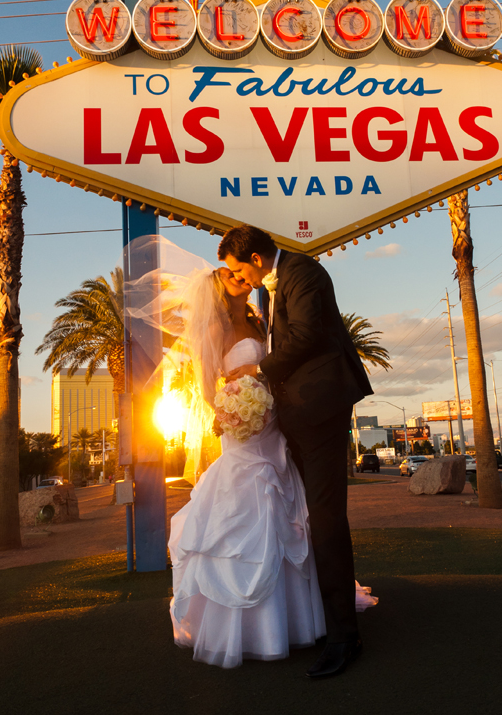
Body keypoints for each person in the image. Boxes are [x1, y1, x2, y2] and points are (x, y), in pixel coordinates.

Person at [218, 224, 374, 679]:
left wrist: (258, 369)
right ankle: (325, 620)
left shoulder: (302, 271)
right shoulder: (273, 285)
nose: (238, 278)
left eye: (237, 268)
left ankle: (346, 638)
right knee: (310, 517)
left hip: (320, 408)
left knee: (325, 520)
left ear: (256, 259)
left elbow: (305, 334)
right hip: (297, 414)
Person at [166, 263, 327, 669]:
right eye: (226, 274)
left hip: (274, 423)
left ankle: (291, 623)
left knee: (284, 506)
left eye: (236, 271)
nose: (235, 275)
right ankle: (249, 631)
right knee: (249, 510)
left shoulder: (259, 319)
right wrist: (235, 412)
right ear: (217, 289)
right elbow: (206, 388)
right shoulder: (212, 330)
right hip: (242, 429)